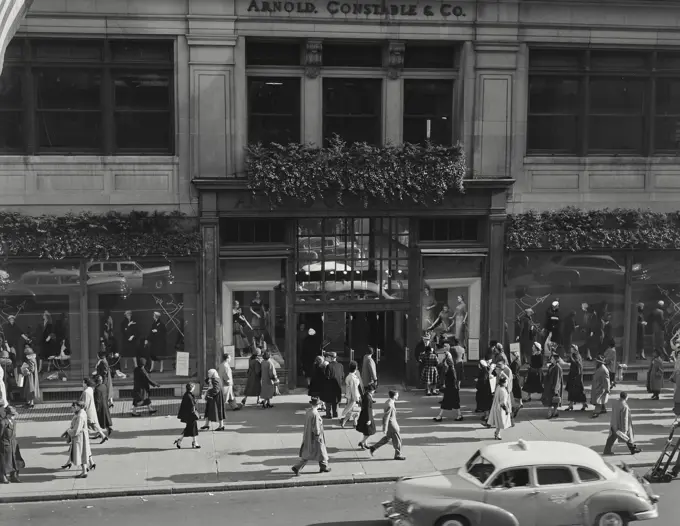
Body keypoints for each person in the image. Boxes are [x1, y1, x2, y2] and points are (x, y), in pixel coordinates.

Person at [291, 397, 331, 475]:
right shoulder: (315, 414)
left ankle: (324, 466)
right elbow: (316, 427)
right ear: (318, 405)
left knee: (319, 451)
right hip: (315, 437)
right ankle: (297, 467)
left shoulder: (309, 412)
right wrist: (318, 436)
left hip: (308, 435)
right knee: (315, 451)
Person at [369, 390, 405, 460]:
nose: (398, 396)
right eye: (397, 395)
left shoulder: (389, 402)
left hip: (391, 424)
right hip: (392, 425)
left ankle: (373, 447)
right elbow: (386, 417)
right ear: (394, 396)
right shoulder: (390, 405)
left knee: (387, 438)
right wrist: (384, 428)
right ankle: (397, 455)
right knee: (398, 440)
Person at [62, 401, 93, 478]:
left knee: (81, 454)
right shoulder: (82, 413)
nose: (72, 409)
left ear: (77, 407)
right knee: (83, 454)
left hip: (79, 438)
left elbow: (76, 430)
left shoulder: (80, 416)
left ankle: (84, 472)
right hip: (82, 436)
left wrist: (69, 431)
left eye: (73, 407)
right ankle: (84, 470)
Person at [434, 346, 463, 422]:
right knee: (451, 402)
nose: (445, 364)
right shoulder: (450, 369)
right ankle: (441, 416)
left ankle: (440, 416)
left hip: (451, 388)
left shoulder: (451, 370)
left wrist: (447, 386)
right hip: (451, 388)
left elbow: (453, 379)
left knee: (449, 402)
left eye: (446, 363)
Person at [80, 377, 108, 443]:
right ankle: (103, 436)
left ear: (85, 383)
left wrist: (82, 410)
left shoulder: (86, 392)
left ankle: (84, 439)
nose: (82, 384)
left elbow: (85, 403)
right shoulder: (90, 389)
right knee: (94, 424)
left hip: (88, 411)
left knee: (83, 425)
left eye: (83, 382)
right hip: (92, 409)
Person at [0, 405, 24, 484]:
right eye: (12, 415)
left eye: (14, 415)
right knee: (5, 462)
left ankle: (13, 476)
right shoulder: (3, 423)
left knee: (15, 461)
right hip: (5, 445)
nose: (14, 416)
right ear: (8, 414)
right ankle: (3, 477)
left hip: (13, 444)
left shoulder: (14, 422)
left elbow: (14, 434)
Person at [485, 376, 512, 440]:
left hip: (496, 407)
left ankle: (497, 433)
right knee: (501, 422)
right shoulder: (503, 391)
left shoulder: (498, 387)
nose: (507, 383)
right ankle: (497, 434)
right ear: (504, 382)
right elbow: (503, 403)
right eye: (506, 382)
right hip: (501, 409)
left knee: (499, 422)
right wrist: (506, 410)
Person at [175, 383, 200, 449]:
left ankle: (181, 440)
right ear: (192, 388)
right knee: (192, 429)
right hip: (190, 415)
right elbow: (192, 406)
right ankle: (194, 442)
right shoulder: (189, 396)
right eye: (194, 387)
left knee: (189, 429)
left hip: (188, 415)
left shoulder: (187, 395)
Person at [340, 360, 362, 428]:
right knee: (356, 410)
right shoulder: (353, 378)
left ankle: (349, 422)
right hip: (353, 396)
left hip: (349, 396)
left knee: (350, 410)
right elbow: (354, 389)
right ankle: (353, 422)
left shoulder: (349, 376)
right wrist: (356, 398)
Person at [541, 352, 563, 419]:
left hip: (554, 386)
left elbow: (557, 379)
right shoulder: (551, 366)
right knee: (550, 400)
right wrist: (544, 382)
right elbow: (547, 375)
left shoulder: (558, 368)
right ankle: (555, 412)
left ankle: (550, 413)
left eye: (552, 358)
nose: (551, 359)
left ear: (556, 359)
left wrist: (556, 389)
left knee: (553, 400)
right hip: (549, 386)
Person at [565, 347, 587, 412]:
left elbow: (577, 364)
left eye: (572, 348)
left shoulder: (577, 356)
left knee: (579, 391)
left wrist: (571, 359)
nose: (571, 349)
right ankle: (570, 405)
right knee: (571, 391)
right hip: (572, 376)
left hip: (577, 377)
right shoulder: (573, 355)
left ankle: (584, 404)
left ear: (575, 349)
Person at [323, 351, 344, 419]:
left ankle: (328, 414)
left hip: (330, 386)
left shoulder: (329, 366)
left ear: (331, 358)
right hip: (338, 385)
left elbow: (326, 377)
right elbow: (342, 376)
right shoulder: (341, 365)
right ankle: (335, 413)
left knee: (328, 401)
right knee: (336, 400)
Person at [356, 383, 376, 450]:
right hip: (367, 416)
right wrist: (369, 419)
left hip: (364, 415)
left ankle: (365, 444)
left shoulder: (366, 395)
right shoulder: (368, 397)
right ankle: (362, 442)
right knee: (369, 431)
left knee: (366, 431)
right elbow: (368, 408)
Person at [508, 347, 523, 418]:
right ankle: (518, 405)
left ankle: (517, 407)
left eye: (511, 355)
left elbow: (513, 373)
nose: (511, 357)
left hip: (515, 380)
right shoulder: (517, 361)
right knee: (516, 392)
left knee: (515, 393)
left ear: (514, 355)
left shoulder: (515, 363)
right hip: (516, 379)